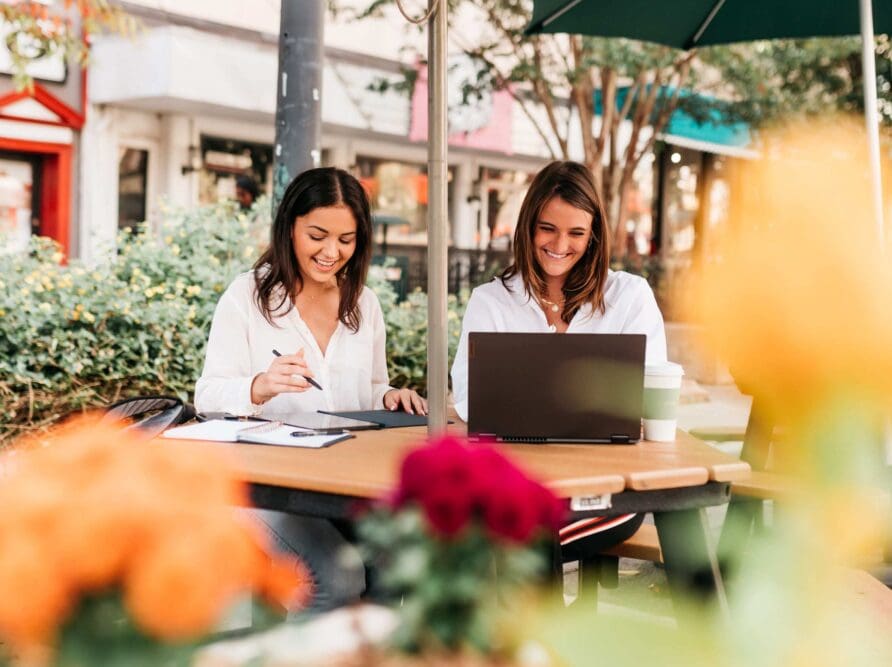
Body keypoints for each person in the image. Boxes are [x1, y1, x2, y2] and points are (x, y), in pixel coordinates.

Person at [196, 166, 427, 611]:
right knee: (336, 577)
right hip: (267, 486)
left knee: (396, 566)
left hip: (344, 484)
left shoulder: (364, 303)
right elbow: (206, 397)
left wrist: (388, 395)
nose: (331, 251)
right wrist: (259, 386)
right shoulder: (246, 297)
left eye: (346, 239)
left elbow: (371, 386)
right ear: (290, 228)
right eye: (317, 235)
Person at [450, 160, 668, 571]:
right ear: (529, 226)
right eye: (547, 228)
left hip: (608, 488)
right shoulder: (492, 301)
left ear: (594, 236)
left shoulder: (629, 296)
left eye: (576, 233)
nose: (559, 244)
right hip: (516, 480)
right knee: (517, 527)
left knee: (529, 532)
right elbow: (467, 399)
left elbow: (651, 393)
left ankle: (532, 636)